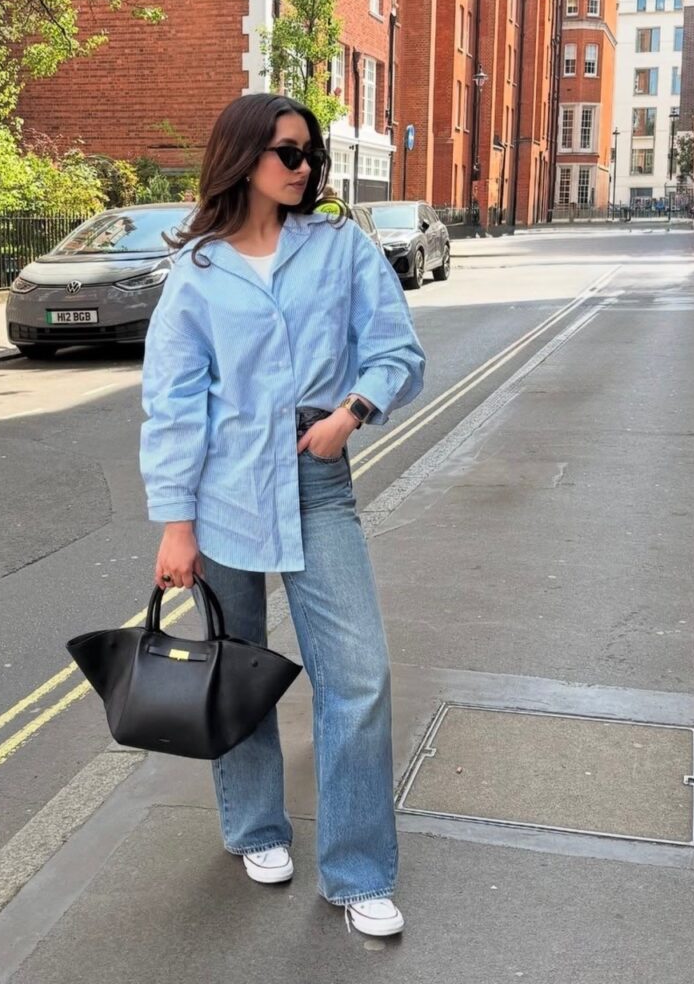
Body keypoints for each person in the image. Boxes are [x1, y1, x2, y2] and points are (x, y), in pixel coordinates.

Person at [139, 93, 425, 938]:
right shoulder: (196, 273)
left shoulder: (340, 248)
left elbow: (396, 348)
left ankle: (358, 871)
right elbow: (174, 403)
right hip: (222, 485)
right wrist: (175, 524)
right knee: (238, 666)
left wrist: (353, 413)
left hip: (315, 475)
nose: (304, 169)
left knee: (359, 677)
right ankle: (257, 827)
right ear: (243, 158)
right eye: (287, 155)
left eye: (309, 155)